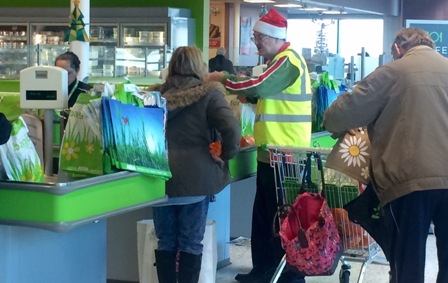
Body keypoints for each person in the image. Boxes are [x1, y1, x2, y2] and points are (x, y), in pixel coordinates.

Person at [323, 27, 448, 283]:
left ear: (399, 48)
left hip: (409, 182)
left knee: (407, 261)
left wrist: (340, 125)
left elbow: (338, 115)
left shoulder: (392, 72)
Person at [207, 8, 312, 283]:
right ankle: (264, 271)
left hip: (287, 153)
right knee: (265, 217)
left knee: (283, 218)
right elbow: (269, 96)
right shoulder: (278, 61)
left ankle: (288, 274)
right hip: (271, 153)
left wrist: (223, 80)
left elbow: (260, 85)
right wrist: (252, 100)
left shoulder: (287, 61)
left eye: (258, 37)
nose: (255, 42)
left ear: (273, 36)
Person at [151, 46, 240, 283]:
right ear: (200, 67)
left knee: (165, 241)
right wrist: (226, 153)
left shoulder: (154, 97)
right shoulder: (209, 94)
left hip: (158, 179)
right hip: (196, 181)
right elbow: (231, 128)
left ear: (172, 67)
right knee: (191, 242)